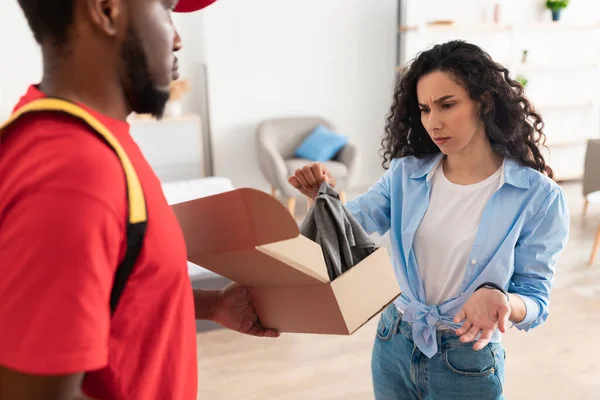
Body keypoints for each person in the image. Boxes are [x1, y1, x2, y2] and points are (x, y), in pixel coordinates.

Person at [0, 0, 278, 399]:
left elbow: (116, 287)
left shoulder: (96, 141)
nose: (178, 39)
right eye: (165, 10)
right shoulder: (73, 172)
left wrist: (212, 304)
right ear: (107, 10)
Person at [289, 40, 570, 399]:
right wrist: (324, 201)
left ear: (483, 102)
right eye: (424, 109)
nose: (433, 123)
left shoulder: (538, 196)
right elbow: (352, 227)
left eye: (447, 105)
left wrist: (503, 301)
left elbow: (535, 298)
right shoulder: (406, 175)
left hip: (466, 359)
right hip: (394, 339)